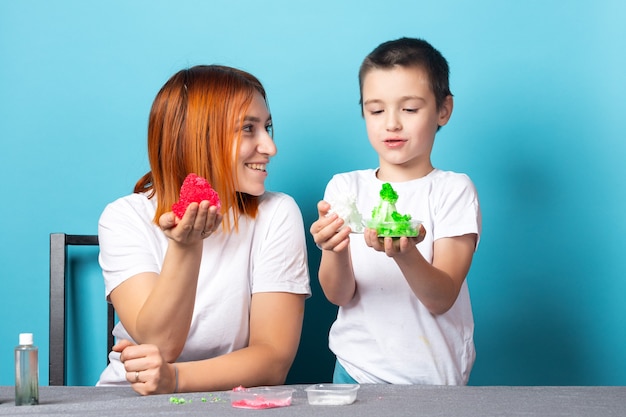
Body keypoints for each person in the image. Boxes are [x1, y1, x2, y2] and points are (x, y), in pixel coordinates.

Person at [96, 65, 311, 395]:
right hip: (128, 397)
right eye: (248, 129)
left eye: (266, 127)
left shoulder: (277, 213)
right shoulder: (123, 217)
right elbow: (162, 343)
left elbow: (273, 360)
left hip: (229, 400)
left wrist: (176, 378)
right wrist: (185, 247)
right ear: (199, 136)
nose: (270, 147)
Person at [310, 37, 481, 385]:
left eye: (410, 109)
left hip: (436, 380)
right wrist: (334, 249)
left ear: (443, 110)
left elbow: (442, 298)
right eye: (376, 110)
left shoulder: (452, 190)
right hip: (355, 372)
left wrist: (405, 254)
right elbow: (338, 295)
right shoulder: (345, 189)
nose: (392, 123)